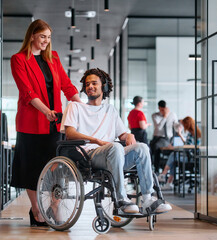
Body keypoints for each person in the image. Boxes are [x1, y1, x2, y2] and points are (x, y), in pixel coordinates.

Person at [60, 68, 172, 214]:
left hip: (114, 155)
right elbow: (69, 133)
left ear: (104, 86)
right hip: (89, 156)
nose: (90, 87)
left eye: (94, 83)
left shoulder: (110, 110)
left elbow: (122, 135)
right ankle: (121, 199)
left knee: (142, 147)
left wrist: (129, 135)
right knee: (115, 147)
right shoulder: (75, 107)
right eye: (87, 84)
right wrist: (96, 140)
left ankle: (148, 199)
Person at [10, 19, 81, 226]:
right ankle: (36, 211)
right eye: (42, 36)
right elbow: (27, 92)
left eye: (49, 37)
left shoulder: (54, 58)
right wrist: (46, 111)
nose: (46, 41)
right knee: (32, 170)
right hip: (31, 123)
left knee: (56, 169)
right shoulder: (19, 59)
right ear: (32, 35)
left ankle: (55, 206)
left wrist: (81, 104)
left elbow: (66, 86)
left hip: (54, 123)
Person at [158, 116, 201, 190]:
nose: (183, 126)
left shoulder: (193, 134)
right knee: (174, 160)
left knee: (173, 155)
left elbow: (188, 147)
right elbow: (188, 145)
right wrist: (180, 135)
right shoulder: (195, 133)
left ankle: (163, 174)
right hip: (191, 156)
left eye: (184, 125)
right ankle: (169, 183)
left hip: (191, 158)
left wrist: (179, 136)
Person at [150, 100, 178, 173]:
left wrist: (180, 126)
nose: (163, 111)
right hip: (156, 137)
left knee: (156, 146)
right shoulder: (155, 115)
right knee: (151, 148)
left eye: (164, 109)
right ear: (159, 108)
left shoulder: (172, 114)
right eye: (162, 109)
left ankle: (157, 169)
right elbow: (159, 127)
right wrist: (165, 117)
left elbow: (176, 126)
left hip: (166, 138)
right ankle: (153, 167)